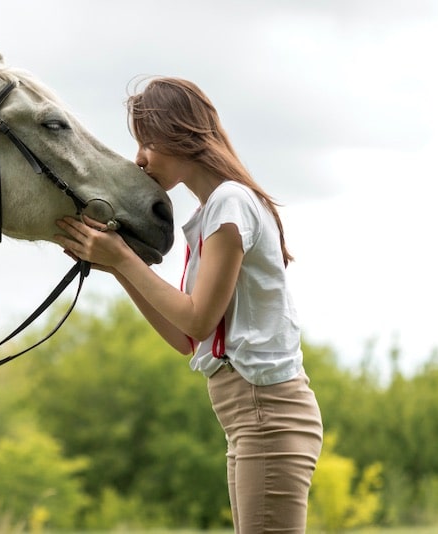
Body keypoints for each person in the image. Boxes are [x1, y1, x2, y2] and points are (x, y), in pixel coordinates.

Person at [55, 77, 323, 533]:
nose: (138, 159)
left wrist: (122, 256)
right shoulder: (215, 210)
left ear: (180, 133)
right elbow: (185, 338)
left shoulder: (230, 203)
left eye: (147, 143)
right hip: (252, 415)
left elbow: (199, 319)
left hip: (267, 413)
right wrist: (119, 267)